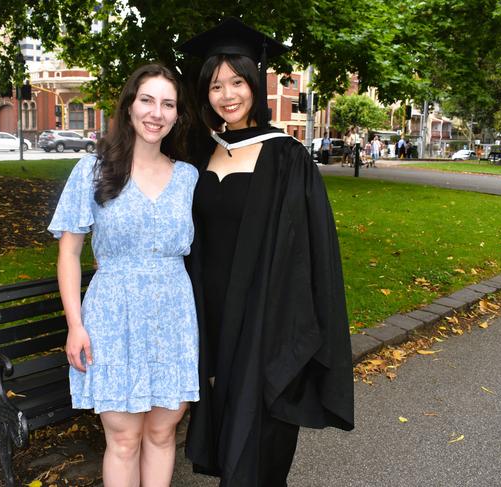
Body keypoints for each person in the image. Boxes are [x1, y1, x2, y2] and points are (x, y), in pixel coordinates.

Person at [179, 18, 354, 487]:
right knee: (226, 435)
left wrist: (299, 328)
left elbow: (312, 251)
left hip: (265, 320)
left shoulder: (287, 157)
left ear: (256, 81)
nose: (227, 94)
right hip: (211, 318)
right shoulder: (201, 153)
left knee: (258, 444)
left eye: (237, 81)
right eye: (216, 85)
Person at [48, 63, 199, 487]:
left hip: (173, 317)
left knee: (161, 431)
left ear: (177, 115)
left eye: (168, 104)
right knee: (125, 438)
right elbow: (69, 253)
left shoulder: (187, 178)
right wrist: (75, 325)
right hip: (113, 317)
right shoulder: (92, 171)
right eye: (147, 100)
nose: (157, 112)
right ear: (130, 106)